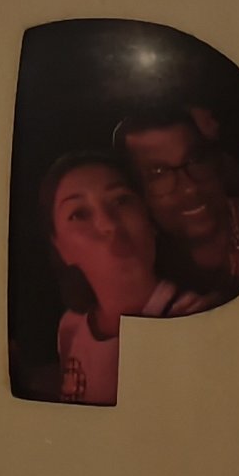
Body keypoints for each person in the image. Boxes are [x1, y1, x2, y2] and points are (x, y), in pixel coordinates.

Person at [42, 155, 209, 405]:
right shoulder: (71, 327)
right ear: (61, 248)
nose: (108, 223)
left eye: (121, 200)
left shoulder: (195, 321)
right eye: (79, 214)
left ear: (149, 220)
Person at [117, 103, 239, 300]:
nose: (190, 187)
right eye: (159, 173)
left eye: (195, 160)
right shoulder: (139, 271)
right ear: (137, 190)